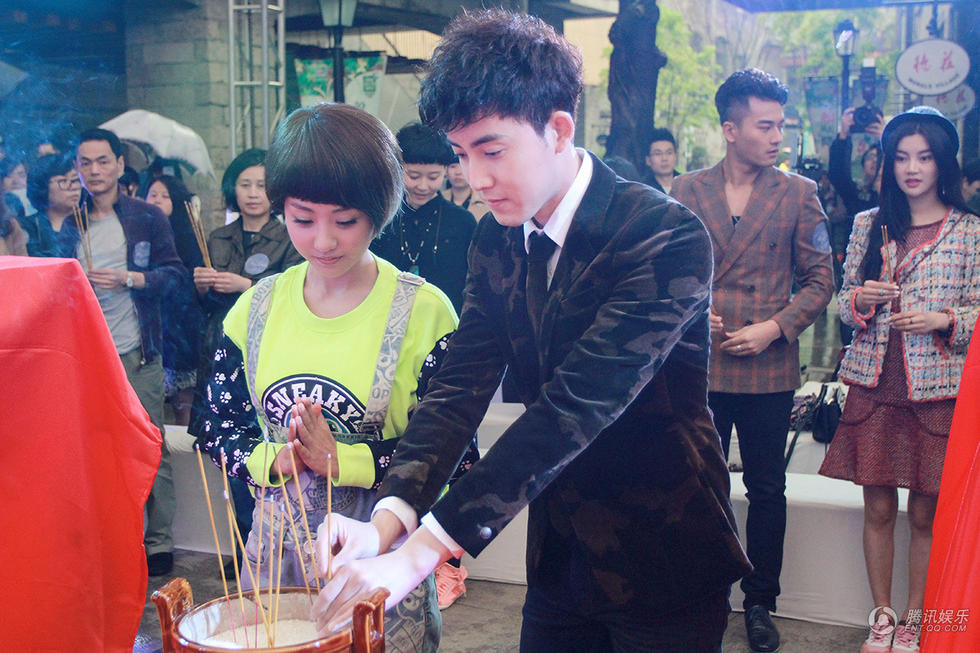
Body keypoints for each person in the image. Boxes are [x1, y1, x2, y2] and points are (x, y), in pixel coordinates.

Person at [315, 10, 750, 653]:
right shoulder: (495, 238)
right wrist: (386, 520)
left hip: (664, 548)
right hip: (559, 553)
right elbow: (458, 387)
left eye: (492, 150)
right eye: (462, 155)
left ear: (558, 129)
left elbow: (577, 405)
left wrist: (419, 554)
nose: (476, 178)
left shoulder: (662, 233)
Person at [198, 102, 478, 652]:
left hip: (380, 568)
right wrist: (270, 458)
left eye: (345, 221)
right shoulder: (254, 310)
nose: (323, 241)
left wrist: (343, 461)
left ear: (380, 211)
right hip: (273, 567)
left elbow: (456, 455)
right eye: (303, 219)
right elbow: (214, 424)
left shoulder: (423, 313)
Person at [671, 69, 835, 653]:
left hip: (768, 368)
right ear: (730, 129)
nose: (777, 137)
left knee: (767, 489)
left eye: (780, 126)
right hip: (702, 365)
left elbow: (821, 279)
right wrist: (696, 310)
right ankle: (703, 597)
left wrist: (775, 327)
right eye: (765, 126)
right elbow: (665, 270)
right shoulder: (686, 189)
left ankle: (761, 601)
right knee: (699, 485)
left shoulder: (798, 193)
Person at [818, 106, 980, 653]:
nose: (912, 168)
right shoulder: (870, 224)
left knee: (927, 513)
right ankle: (882, 616)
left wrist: (943, 319)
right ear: (888, 164)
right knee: (879, 508)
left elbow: (977, 308)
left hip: (937, 390)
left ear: (942, 164)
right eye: (902, 157)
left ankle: (917, 617)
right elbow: (843, 304)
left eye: (924, 158)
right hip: (875, 383)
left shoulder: (969, 230)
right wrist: (861, 301)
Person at [73, 127, 185, 576]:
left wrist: (130, 279)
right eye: (85, 162)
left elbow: (174, 275)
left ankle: (158, 541)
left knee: (149, 446)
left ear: (120, 165)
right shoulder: (69, 222)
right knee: (95, 453)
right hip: (85, 356)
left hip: (138, 352)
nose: (94, 170)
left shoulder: (146, 216)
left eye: (103, 161)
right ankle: (113, 537)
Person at [187, 147, 303, 564]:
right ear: (232, 189)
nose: (253, 193)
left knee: (268, 451)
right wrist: (201, 286)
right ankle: (244, 552)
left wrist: (247, 285)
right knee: (231, 456)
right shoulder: (217, 237)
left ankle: (279, 552)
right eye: (245, 184)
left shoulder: (291, 236)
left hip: (268, 350)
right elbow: (200, 305)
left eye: (261, 185)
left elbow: (295, 293)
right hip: (220, 349)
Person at [371, 122, 477, 314]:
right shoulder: (383, 216)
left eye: (433, 177)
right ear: (398, 168)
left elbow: (471, 283)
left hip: (441, 318)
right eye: (413, 176)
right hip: (382, 314)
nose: (423, 186)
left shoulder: (462, 222)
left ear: (445, 171)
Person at [144, 175, 205, 425]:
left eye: (165, 196)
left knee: (183, 401)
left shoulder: (188, 238)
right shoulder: (137, 236)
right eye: (153, 195)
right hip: (147, 327)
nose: (157, 200)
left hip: (181, 328)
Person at [19, 152, 81, 258]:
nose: (73, 187)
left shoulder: (89, 222)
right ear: (43, 187)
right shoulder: (27, 227)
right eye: (63, 181)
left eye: (75, 180)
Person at [443, 156, 490, 221]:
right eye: (453, 166)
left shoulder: (487, 201)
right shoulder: (438, 200)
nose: (458, 172)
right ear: (445, 171)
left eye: (462, 165)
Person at [643, 127, 680, 194]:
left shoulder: (687, 184)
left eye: (669, 153)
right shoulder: (643, 189)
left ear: (676, 156)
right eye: (658, 153)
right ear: (648, 160)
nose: (664, 158)